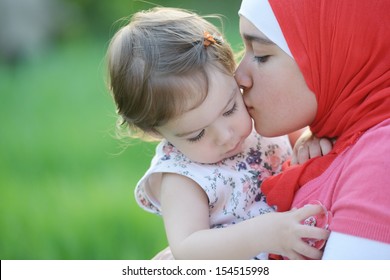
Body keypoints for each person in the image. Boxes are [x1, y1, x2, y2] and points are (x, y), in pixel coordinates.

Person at [106, 7, 330, 260]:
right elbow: (188, 248)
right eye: (197, 134)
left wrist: (305, 142)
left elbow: (299, 138)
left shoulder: (262, 118)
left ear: (233, 75)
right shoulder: (184, 177)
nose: (226, 135)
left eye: (229, 109)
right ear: (154, 130)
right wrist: (263, 235)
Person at [235, 0, 390, 259]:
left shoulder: (381, 159)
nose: (239, 76)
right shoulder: (331, 143)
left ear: (338, 51)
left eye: (260, 54)